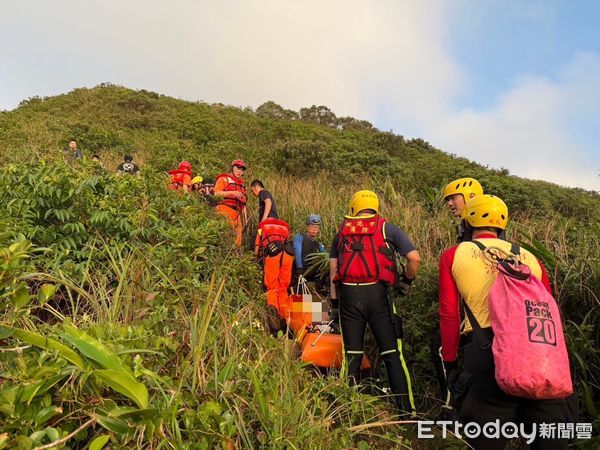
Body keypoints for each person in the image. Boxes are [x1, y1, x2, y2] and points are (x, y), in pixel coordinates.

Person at [439, 194, 571, 449]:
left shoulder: (454, 254)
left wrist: (451, 363)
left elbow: (448, 314)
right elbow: (550, 312)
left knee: (486, 441)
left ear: (467, 224)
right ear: (502, 227)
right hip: (539, 354)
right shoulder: (530, 258)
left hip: (485, 353)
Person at [329, 190, 421, 414]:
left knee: (352, 356)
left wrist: (334, 304)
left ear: (353, 207)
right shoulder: (387, 227)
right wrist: (406, 282)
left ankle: (345, 411)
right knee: (392, 354)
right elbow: (414, 258)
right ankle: (407, 413)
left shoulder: (341, 231)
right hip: (379, 296)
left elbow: (333, 269)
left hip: (349, 298)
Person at [255, 218, 293, 329]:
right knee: (283, 288)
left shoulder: (261, 228)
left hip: (273, 254)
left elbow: (257, 247)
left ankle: (274, 322)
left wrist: (255, 257)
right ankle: (287, 319)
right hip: (288, 254)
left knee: (272, 288)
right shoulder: (284, 227)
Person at [214, 160, 248, 247]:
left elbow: (243, 204)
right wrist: (232, 193)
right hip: (224, 208)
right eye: (237, 168)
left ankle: (235, 254)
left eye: (242, 169)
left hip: (237, 213)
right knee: (228, 232)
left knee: (238, 238)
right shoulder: (224, 179)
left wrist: (245, 219)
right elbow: (216, 193)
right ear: (232, 168)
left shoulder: (242, 185)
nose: (239, 171)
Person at [442, 177, 483, 242]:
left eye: (453, 198)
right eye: (448, 200)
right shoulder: (464, 225)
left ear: (471, 197)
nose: (449, 203)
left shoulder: (485, 225)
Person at [292, 214, 327, 290]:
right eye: (311, 227)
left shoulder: (318, 244)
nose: (314, 229)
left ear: (319, 230)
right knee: (300, 295)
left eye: (316, 227)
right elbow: (297, 252)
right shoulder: (299, 238)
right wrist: (299, 270)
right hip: (301, 271)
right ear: (307, 227)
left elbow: (325, 257)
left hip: (313, 273)